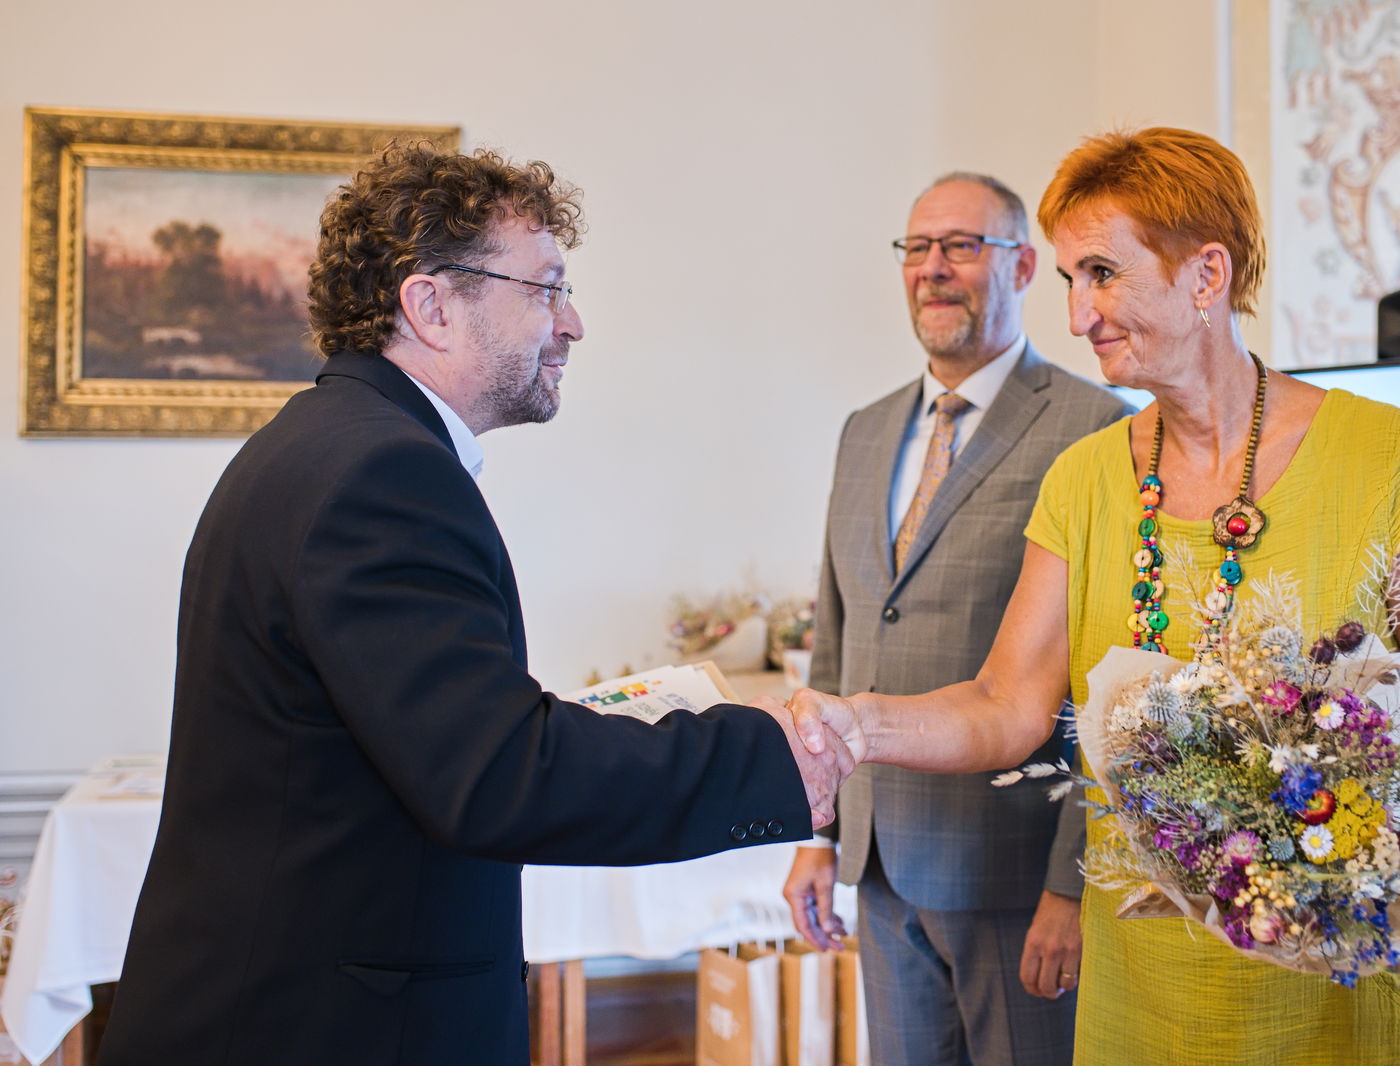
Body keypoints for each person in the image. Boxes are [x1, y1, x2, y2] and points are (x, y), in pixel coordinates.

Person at [97, 142, 853, 1066]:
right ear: (432, 306)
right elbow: (498, 778)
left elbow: (438, 736)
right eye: (546, 290)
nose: (573, 324)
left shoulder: (328, 442)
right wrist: (764, 755)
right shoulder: (383, 472)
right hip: (319, 1025)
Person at [789, 128, 1400, 1065]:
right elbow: (1005, 705)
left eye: (1102, 273)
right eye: (1069, 279)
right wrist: (854, 725)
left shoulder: (1384, 457)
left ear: (1207, 274)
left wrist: (1329, 835)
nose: (1078, 314)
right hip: (1151, 987)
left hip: (1356, 979)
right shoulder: (1085, 479)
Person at [781, 173, 1130, 1066]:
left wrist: (1073, 884)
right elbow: (839, 641)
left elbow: (1117, 682)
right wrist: (818, 835)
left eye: (962, 247)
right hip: (880, 866)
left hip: (1014, 875)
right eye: (918, 248)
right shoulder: (864, 431)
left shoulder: (1099, 429)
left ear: (1022, 268)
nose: (933, 268)